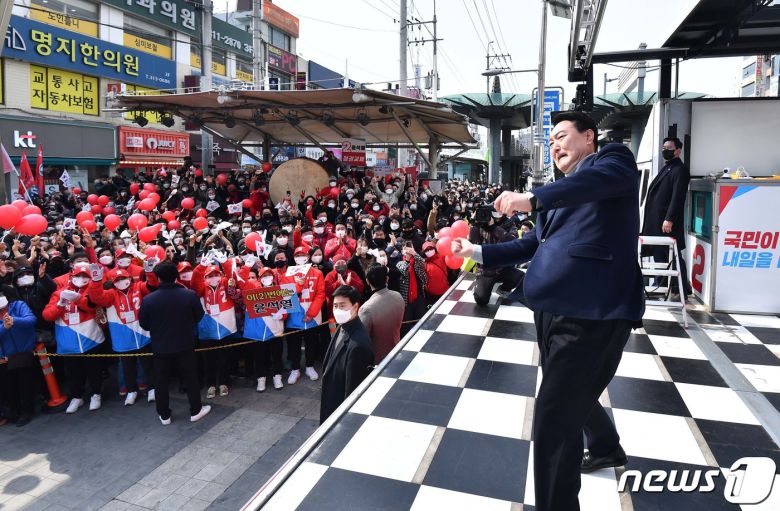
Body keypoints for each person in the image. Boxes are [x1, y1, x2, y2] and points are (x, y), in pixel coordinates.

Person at [452, 111, 645, 511]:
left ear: (589, 137)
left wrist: (534, 197)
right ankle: (607, 446)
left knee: (553, 421)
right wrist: (477, 251)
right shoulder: (561, 191)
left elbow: (597, 182)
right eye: (550, 140)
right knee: (572, 391)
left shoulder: (613, 161)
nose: (555, 145)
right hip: (551, 310)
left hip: (591, 311)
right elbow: (531, 245)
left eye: (561, 136)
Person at [138, 262, 211, 425]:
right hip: (185, 343)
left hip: (160, 346)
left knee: (161, 380)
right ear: (176, 276)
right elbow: (199, 316)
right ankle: (195, 410)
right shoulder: (189, 295)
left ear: (158, 278)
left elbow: (144, 324)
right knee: (191, 377)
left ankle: (164, 415)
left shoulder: (149, 300)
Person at [43, 264, 107, 414]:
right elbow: (47, 315)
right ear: (72, 276)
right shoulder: (59, 293)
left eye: (85, 276)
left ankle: (96, 394)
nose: (81, 279)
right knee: (73, 372)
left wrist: (78, 299)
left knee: (95, 370)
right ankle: (77, 396)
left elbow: (93, 306)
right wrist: (59, 305)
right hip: (68, 341)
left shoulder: (92, 291)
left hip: (91, 338)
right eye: (78, 276)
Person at [641, 136, 692, 298]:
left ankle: (680, 288)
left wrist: (669, 218)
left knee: (672, 254)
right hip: (657, 221)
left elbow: (677, 197)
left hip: (666, 222)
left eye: (669, 148)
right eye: (664, 147)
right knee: (660, 253)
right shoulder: (669, 167)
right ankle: (662, 283)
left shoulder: (679, 169)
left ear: (678, 150)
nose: (666, 150)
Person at [319, 285, 374, 424]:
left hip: (338, 412)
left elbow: (352, 392)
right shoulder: (342, 325)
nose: (338, 310)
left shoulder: (358, 345)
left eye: (343, 305)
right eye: (335, 306)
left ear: (355, 307)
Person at [0, 285, 38, 426]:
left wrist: (14, 320)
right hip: (4, 357)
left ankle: (27, 411)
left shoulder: (18, 305)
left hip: (23, 352)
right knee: (9, 387)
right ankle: (14, 412)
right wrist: (4, 327)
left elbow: (31, 320)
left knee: (25, 384)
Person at [358, 264, 405, 364]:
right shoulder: (398, 296)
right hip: (396, 349)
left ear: (367, 281)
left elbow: (363, 340)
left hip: (378, 360)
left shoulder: (366, 308)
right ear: (387, 279)